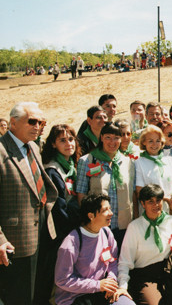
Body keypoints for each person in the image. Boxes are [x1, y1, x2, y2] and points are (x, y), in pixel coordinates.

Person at [0, 102, 58, 304]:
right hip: (16, 240)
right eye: (32, 121)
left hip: (43, 230)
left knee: (40, 292)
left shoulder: (33, 146)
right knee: (20, 297)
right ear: (12, 123)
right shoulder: (1, 151)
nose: (37, 126)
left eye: (40, 122)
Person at [55, 194, 135, 305]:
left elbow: (112, 262)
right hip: (75, 297)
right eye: (105, 210)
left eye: (110, 208)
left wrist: (110, 282)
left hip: (101, 292)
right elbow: (62, 280)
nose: (111, 213)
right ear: (91, 216)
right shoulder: (71, 243)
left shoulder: (106, 233)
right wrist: (98, 285)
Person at [33, 124, 82, 304]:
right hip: (60, 233)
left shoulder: (72, 165)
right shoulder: (53, 170)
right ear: (53, 144)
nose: (69, 143)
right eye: (62, 140)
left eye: (71, 139)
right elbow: (58, 208)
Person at [118, 185, 172, 305]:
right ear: (142, 203)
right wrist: (123, 287)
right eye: (150, 201)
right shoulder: (135, 227)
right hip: (144, 277)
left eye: (158, 200)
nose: (155, 205)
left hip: (167, 274)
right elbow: (125, 261)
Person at [76, 123, 134, 248]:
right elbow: (81, 194)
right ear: (101, 137)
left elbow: (132, 193)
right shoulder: (87, 161)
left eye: (116, 138)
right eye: (108, 137)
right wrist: (87, 222)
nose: (112, 142)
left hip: (122, 225)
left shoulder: (127, 162)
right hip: (97, 226)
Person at [135, 125, 172, 216]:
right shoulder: (139, 162)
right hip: (150, 212)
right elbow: (140, 192)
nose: (154, 144)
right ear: (144, 142)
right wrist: (164, 199)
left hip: (170, 210)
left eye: (157, 141)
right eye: (150, 141)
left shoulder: (170, 160)